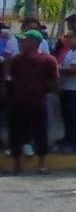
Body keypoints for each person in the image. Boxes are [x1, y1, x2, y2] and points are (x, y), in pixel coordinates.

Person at [2, 30, 58, 173]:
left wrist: (40, 89)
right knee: (16, 133)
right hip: (18, 102)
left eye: (24, 41)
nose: (20, 43)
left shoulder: (48, 60)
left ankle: (42, 164)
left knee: (40, 133)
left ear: (34, 43)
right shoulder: (17, 60)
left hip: (39, 102)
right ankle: (16, 164)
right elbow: (11, 77)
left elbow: (54, 82)